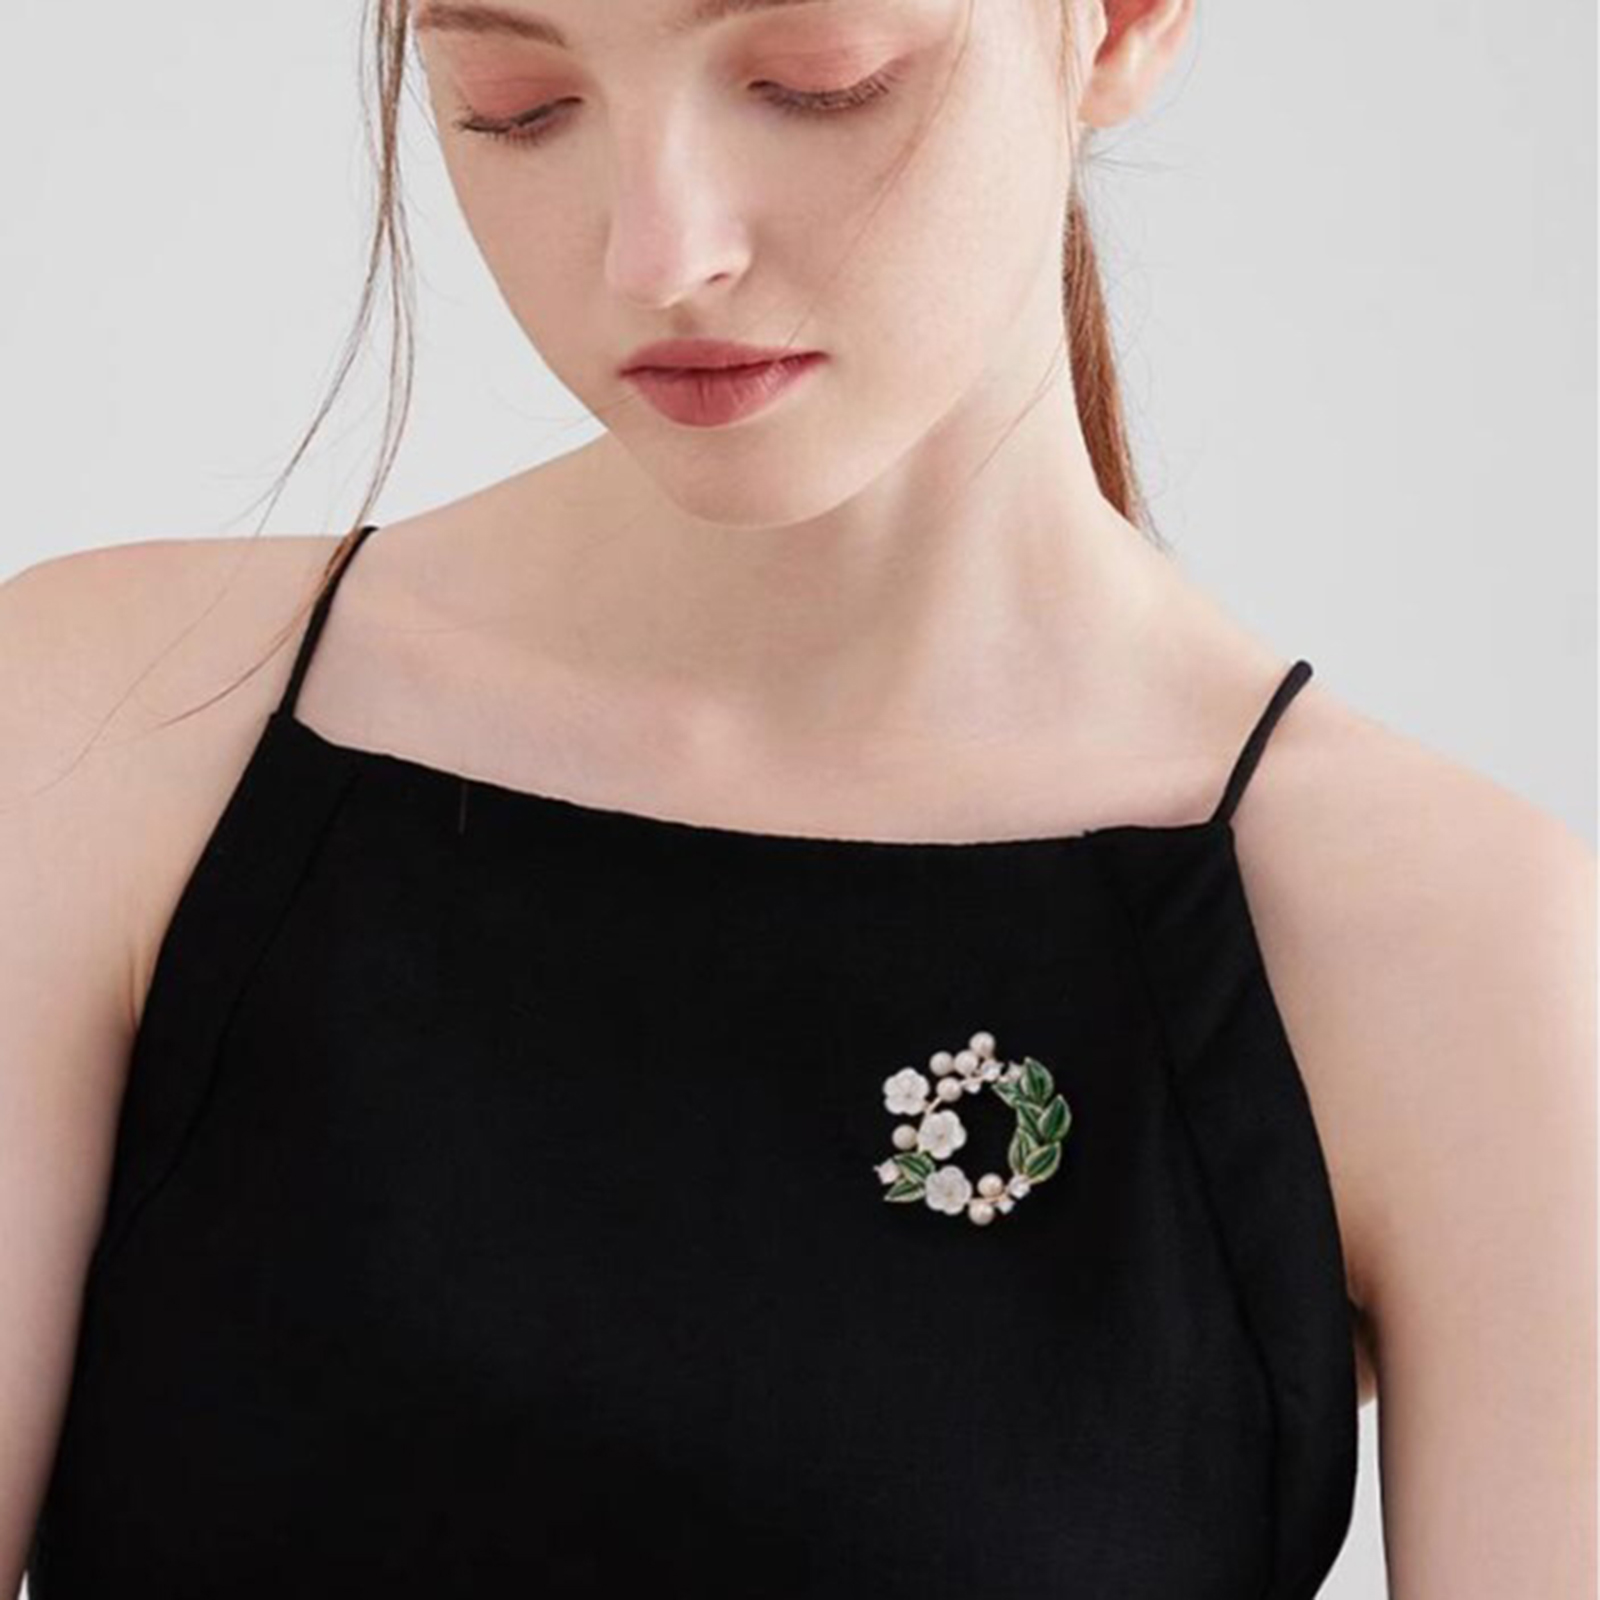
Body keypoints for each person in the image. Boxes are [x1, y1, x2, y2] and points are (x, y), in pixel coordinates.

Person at [2, 1, 1593, 1595]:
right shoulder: (119, 718)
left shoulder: (1446, 949)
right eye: (519, 102)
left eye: (815, 80)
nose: (658, 254)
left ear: (1115, 24)